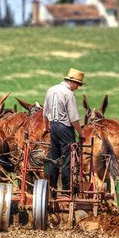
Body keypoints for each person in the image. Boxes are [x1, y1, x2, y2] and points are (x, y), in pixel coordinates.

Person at [43, 68, 84, 197]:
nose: (77, 87)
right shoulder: (68, 94)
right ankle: (67, 189)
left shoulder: (51, 90)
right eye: (78, 84)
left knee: (54, 158)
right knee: (67, 158)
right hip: (65, 128)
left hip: (53, 127)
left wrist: (46, 127)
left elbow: (45, 112)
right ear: (72, 82)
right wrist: (81, 132)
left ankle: (52, 188)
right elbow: (73, 118)